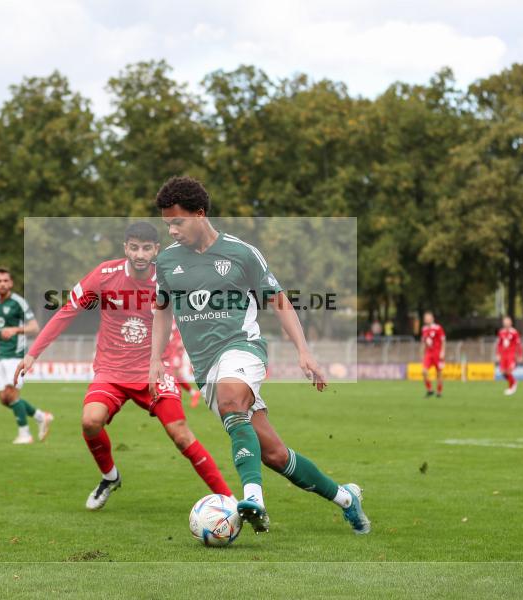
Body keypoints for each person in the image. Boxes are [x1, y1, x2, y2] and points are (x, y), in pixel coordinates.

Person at [149, 176, 370, 535]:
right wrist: (154, 358)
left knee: (232, 397)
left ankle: (254, 500)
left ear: (200, 214)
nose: (171, 231)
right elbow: (162, 309)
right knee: (275, 455)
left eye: (177, 222)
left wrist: (304, 351)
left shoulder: (242, 253)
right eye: (167, 224)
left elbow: (279, 300)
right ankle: (346, 498)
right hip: (205, 366)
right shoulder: (168, 262)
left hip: (242, 347)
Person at [16, 222, 233, 510]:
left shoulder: (170, 279)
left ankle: (230, 501)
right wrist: (33, 354)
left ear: (156, 250)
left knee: (180, 434)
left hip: (154, 371)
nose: (140, 254)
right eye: (134, 247)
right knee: (90, 421)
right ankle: (110, 477)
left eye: (146, 248)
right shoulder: (105, 275)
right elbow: (67, 311)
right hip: (112, 371)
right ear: (125, 248)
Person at [0, 268, 52, 444]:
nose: (2, 284)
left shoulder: (19, 302)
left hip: (16, 355)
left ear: (11, 283)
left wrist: (16, 329)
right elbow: (0, 330)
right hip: (1, 355)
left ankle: (25, 434)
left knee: (12, 394)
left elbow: (34, 327)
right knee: (4, 399)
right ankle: (41, 416)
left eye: (5, 281)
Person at [163, 319, 202, 408]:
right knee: (172, 372)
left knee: (173, 371)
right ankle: (192, 393)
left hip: (177, 347)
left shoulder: (179, 316)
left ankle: (175, 396)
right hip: (170, 347)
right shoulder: (167, 316)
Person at [420, 312, 445, 398]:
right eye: (425, 318)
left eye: (428, 318)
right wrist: (422, 353)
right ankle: (430, 390)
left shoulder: (438, 328)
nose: (426, 319)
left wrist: (443, 351)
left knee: (439, 373)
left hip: (437, 353)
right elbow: (424, 342)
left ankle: (439, 391)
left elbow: (443, 340)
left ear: (432, 318)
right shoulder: (424, 329)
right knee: (424, 371)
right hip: (428, 353)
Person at [496, 316, 523, 396]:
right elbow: (499, 344)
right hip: (503, 355)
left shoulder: (514, 332)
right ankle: (513, 383)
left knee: (509, 371)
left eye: (507, 322)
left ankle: (512, 386)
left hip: (511, 354)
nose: (506, 323)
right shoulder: (501, 332)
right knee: (503, 372)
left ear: (511, 323)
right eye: (504, 322)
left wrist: (520, 355)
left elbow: (518, 344)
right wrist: (498, 354)